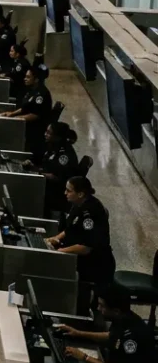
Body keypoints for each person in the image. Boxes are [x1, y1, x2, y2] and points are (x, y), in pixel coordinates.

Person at [49, 176, 116, 307]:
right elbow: (70, 229)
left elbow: (86, 248)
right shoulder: (78, 205)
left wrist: (60, 251)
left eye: (69, 191)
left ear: (80, 193)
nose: (65, 193)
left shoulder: (90, 213)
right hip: (80, 257)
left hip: (94, 265)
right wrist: (54, 239)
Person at [57, 282, 156, 363]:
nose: (98, 308)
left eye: (102, 306)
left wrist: (83, 357)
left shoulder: (131, 339)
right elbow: (111, 335)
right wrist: (78, 333)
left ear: (116, 311)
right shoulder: (124, 317)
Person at [0, 64, 53, 159]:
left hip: (34, 130)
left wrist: (16, 119)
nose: (25, 79)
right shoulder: (31, 90)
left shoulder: (41, 95)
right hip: (26, 124)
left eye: (28, 77)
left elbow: (35, 115)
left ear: (36, 79)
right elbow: (26, 108)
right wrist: (12, 114)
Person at [23, 122, 79, 214]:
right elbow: (47, 168)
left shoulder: (64, 156)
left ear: (58, 137)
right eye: (46, 131)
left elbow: (56, 177)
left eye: (49, 133)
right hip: (47, 186)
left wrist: (37, 173)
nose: (45, 134)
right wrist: (33, 168)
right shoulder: (52, 147)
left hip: (56, 193)